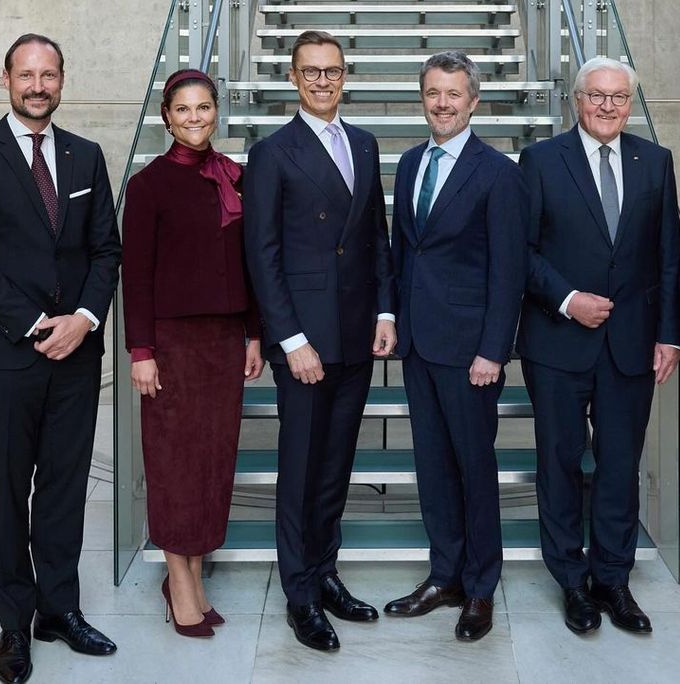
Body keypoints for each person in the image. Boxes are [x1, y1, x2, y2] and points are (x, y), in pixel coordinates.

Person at [0, 34, 120, 684]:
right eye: (27, 74)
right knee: (8, 492)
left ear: (62, 80)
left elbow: (107, 250)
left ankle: (59, 610)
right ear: (7, 80)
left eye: (49, 74)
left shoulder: (85, 156)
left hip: (76, 356)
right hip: (4, 357)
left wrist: (84, 320)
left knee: (66, 490)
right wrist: (34, 324)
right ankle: (14, 627)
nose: (38, 85)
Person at [516, 56, 680, 636]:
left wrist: (668, 333)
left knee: (618, 466)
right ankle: (570, 580)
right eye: (596, 95)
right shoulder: (539, 161)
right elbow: (522, 252)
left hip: (632, 344)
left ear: (630, 102)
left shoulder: (655, 162)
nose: (607, 105)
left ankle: (613, 579)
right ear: (575, 100)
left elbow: (668, 257)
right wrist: (567, 300)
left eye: (618, 96)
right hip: (557, 341)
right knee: (559, 463)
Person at [243, 30, 396, 652]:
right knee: (300, 470)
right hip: (304, 340)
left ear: (345, 75)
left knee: (335, 466)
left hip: (358, 333)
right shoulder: (272, 152)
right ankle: (300, 595)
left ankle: (325, 571)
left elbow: (378, 236)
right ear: (294, 78)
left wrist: (386, 311)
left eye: (332, 71)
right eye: (311, 72)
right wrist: (290, 338)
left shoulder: (363, 142)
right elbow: (262, 254)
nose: (323, 81)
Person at [383, 51, 526, 642]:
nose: (442, 103)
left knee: (474, 468)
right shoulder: (413, 161)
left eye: (453, 94)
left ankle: (479, 586)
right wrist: (390, 314)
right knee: (433, 467)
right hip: (418, 343)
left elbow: (508, 270)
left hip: (471, 351)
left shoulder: (498, 173)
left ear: (474, 102)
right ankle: (444, 575)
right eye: (433, 93)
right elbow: (401, 249)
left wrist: (493, 349)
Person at [121, 69, 264, 639]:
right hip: (172, 344)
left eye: (204, 108)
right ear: (167, 116)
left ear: (216, 112)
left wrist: (254, 333)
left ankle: (194, 573)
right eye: (184, 109)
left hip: (224, 342)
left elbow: (252, 265)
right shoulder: (149, 184)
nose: (195, 118)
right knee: (174, 463)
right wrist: (141, 351)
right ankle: (178, 579)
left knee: (211, 461)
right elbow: (136, 275)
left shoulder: (236, 175)